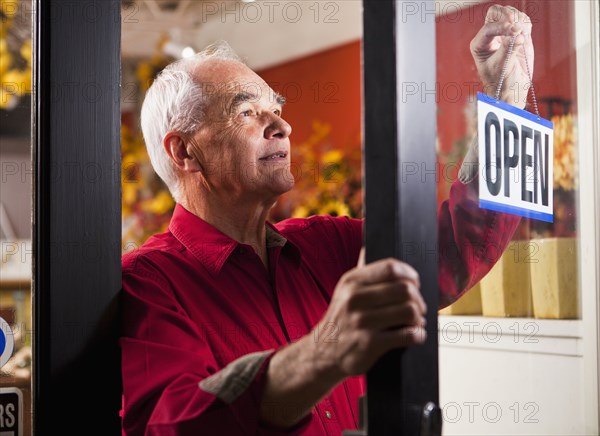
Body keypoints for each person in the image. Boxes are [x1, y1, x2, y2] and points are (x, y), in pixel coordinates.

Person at [121, 5, 533, 435]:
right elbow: (173, 423)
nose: (282, 124)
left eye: (275, 108)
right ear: (184, 151)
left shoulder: (326, 243)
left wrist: (509, 97)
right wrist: (326, 349)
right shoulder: (146, 283)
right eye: (247, 112)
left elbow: (450, 250)